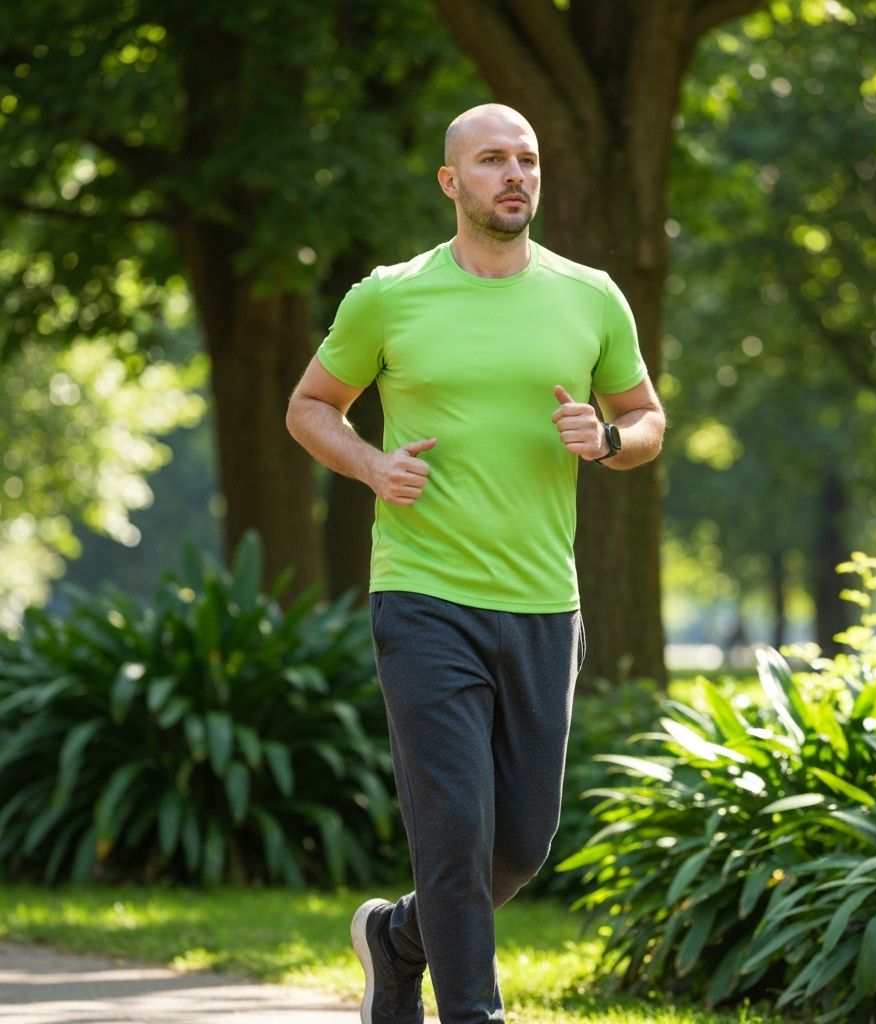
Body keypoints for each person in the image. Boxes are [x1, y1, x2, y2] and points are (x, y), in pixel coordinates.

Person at [285, 103, 665, 1024]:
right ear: (452, 182)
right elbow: (310, 406)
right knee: (454, 833)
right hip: (423, 598)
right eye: (493, 160)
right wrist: (372, 466)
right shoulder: (388, 294)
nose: (515, 175)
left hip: (542, 603)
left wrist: (608, 437)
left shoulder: (592, 295)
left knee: (521, 846)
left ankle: (396, 938)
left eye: (528, 160)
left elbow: (649, 421)